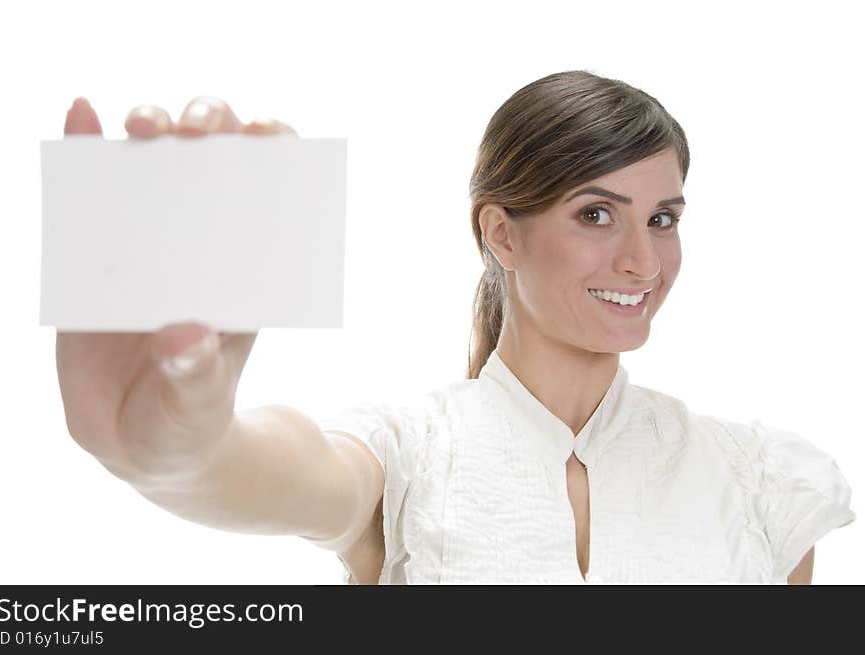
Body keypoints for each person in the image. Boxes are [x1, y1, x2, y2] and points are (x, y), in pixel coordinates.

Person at [57, 71, 855, 586]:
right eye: (598, 213)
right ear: (501, 233)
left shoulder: (756, 479)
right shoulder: (411, 450)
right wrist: (174, 450)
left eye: (665, 217)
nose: (644, 260)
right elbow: (292, 472)